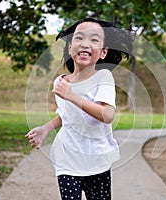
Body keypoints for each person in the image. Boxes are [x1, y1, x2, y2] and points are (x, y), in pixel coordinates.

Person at [25, 18, 132, 200]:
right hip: (67, 158)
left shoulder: (103, 77)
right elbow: (67, 115)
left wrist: (72, 95)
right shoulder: (61, 82)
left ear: (103, 52)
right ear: (69, 48)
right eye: (79, 38)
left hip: (97, 160)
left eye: (94, 40)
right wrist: (45, 129)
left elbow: (107, 115)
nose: (85, 44)